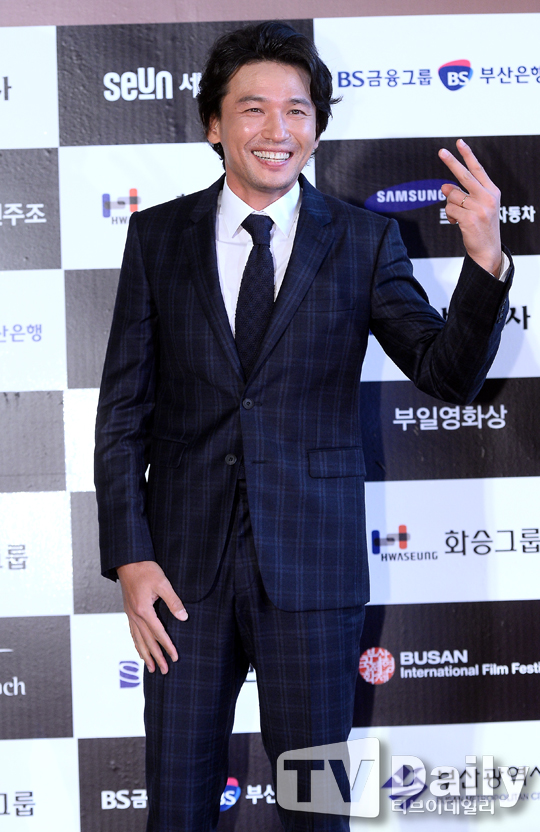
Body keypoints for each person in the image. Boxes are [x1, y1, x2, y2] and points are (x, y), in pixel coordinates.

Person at [94, 20, 512, 832]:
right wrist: (131, 556)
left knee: (316, 807)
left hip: (314, 574)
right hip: (180, 575)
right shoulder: (158, 238)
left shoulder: (363, 239)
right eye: (253, 108)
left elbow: (447, 374)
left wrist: (484, 261)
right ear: (214, 124)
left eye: (297, 110)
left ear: (317, 126)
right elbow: (122, 414)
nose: (277, 129)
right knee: (177, 804)